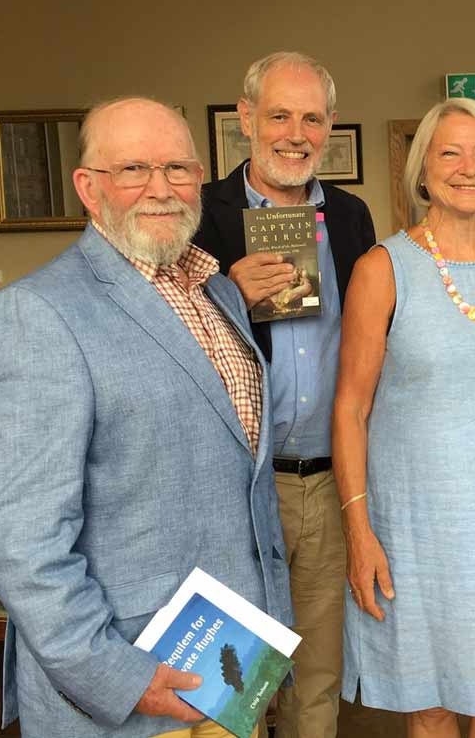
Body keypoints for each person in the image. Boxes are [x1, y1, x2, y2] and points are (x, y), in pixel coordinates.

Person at [0, 97, 291, 738]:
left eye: (178, 168)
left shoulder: (218, 291)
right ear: (88, 188)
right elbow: (21, 538)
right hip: (129, 677)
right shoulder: (37, 313)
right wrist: (115, 675)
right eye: (134, 169)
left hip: (228, 659)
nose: (161, 188)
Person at [333, 98, 475, 737]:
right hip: (415, 529)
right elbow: (351, 408)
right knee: (432, 704)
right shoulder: (382, 268)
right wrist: (359, 534)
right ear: (423, 169)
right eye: (450, 153)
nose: (469, 167)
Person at [193, 51, 375, 738]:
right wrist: (226, 295)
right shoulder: (200, 216)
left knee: (317, 674)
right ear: (245, 119)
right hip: (237, 486)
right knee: (232, 679)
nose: (294, 133)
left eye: (311, 118)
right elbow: (162, 340)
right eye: (278, 115)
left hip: (327, 484)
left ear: (328, 126)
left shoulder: (353, 218)